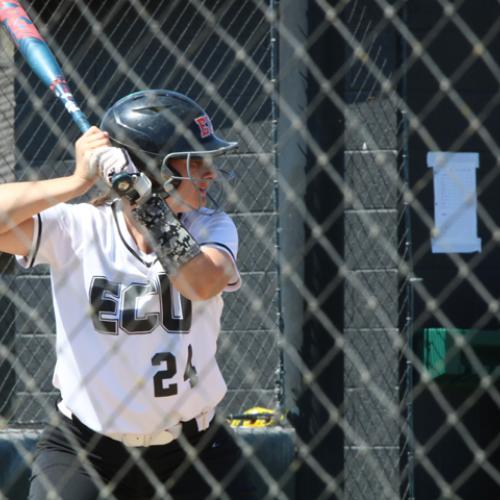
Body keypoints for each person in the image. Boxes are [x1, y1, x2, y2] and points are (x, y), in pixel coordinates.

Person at [0, 90, 256, 499]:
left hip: (194, 451)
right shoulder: (79, 228)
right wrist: (77, 181)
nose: (209, 172)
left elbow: (201, 283)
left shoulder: (212, 226)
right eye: (195, 160)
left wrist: (144, 201)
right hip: (86, 450)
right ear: (155, 167)